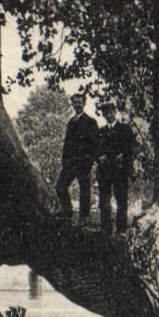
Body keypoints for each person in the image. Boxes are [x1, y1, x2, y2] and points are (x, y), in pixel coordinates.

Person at [56, 91, 99, 223]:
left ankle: (84, 217)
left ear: (84, 104)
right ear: (72, 104)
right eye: (75, 102)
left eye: (80, 102)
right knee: (60, 186)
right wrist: (64, 160)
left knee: (84, 189)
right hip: (70, 162)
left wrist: (89, 160)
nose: (77, 105)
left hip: (83, 162)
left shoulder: (91, 122)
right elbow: (66, 144)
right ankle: (67, 210)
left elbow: (95, 143)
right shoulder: (71, 122)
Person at [96, 101, 135, 235]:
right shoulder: (100, 132)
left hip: (120, 170)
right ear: (103, 115)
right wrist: (99, 157)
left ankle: (121, 230)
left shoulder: (125, 129)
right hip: (104, 171)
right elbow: (94, 150)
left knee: (121, 200)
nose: (109, 115)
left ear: (115, 112)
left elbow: (132, 147)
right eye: (106, 113)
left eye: (111, 112)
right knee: (104, 201)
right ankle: (106, 229)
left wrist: (124, 154)